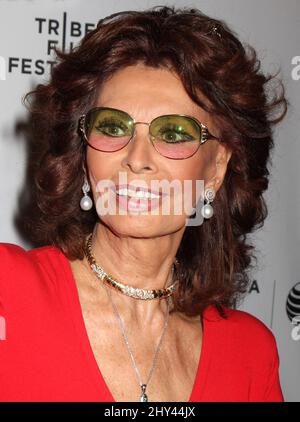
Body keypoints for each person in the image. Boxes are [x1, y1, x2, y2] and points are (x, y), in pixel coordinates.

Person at [0, 6, 287, 402]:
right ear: (84, 153)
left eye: (173, 133)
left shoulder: (250, 354)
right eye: (112, 127)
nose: (137, 157)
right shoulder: (8, 292)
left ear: (217, 167)